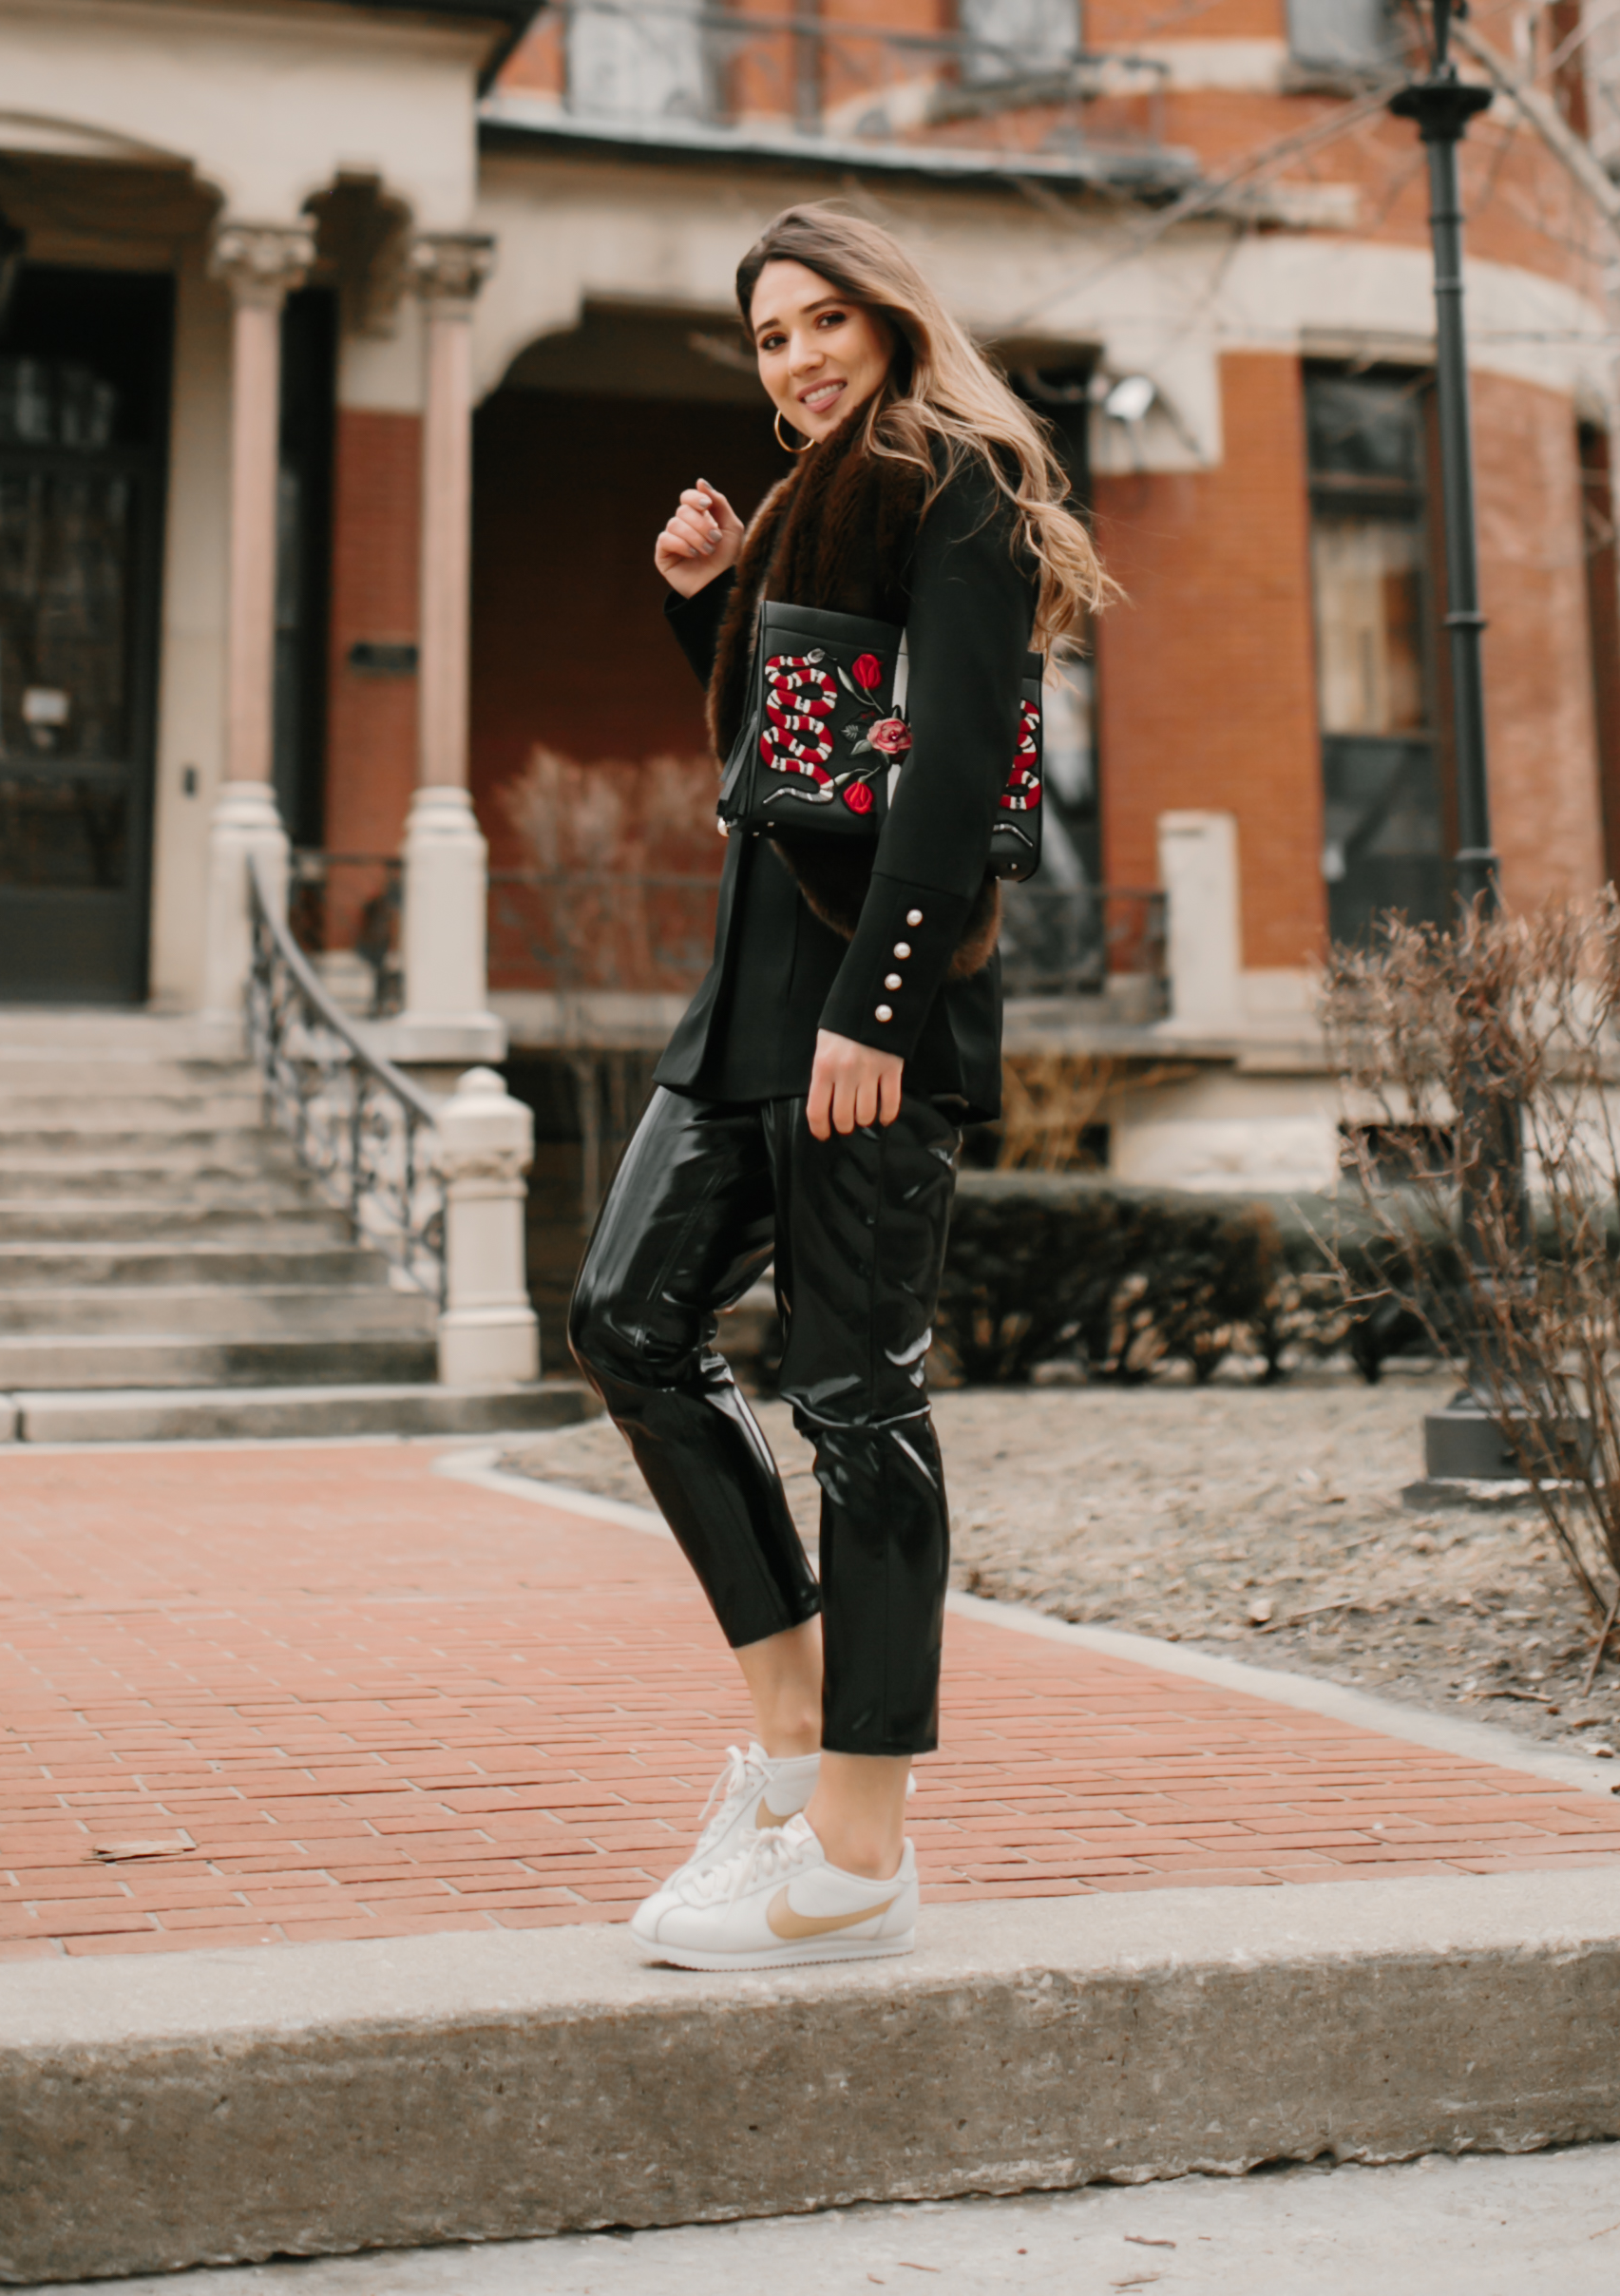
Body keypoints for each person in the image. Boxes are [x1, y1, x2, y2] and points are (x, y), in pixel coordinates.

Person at [566, 201, 1111, 1973]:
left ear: (887, 316)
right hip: (744, 1011)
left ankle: (861, 1848)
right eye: (767, 337)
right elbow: (786, 758)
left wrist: (877, 1010)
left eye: (820, 322)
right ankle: (793, 1753)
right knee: (625, 1323)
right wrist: (707, 607)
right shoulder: (812, 494)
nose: (794, 357)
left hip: (866, 1018)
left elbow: (951, 774)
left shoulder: (954, 477)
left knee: (857, 1401)